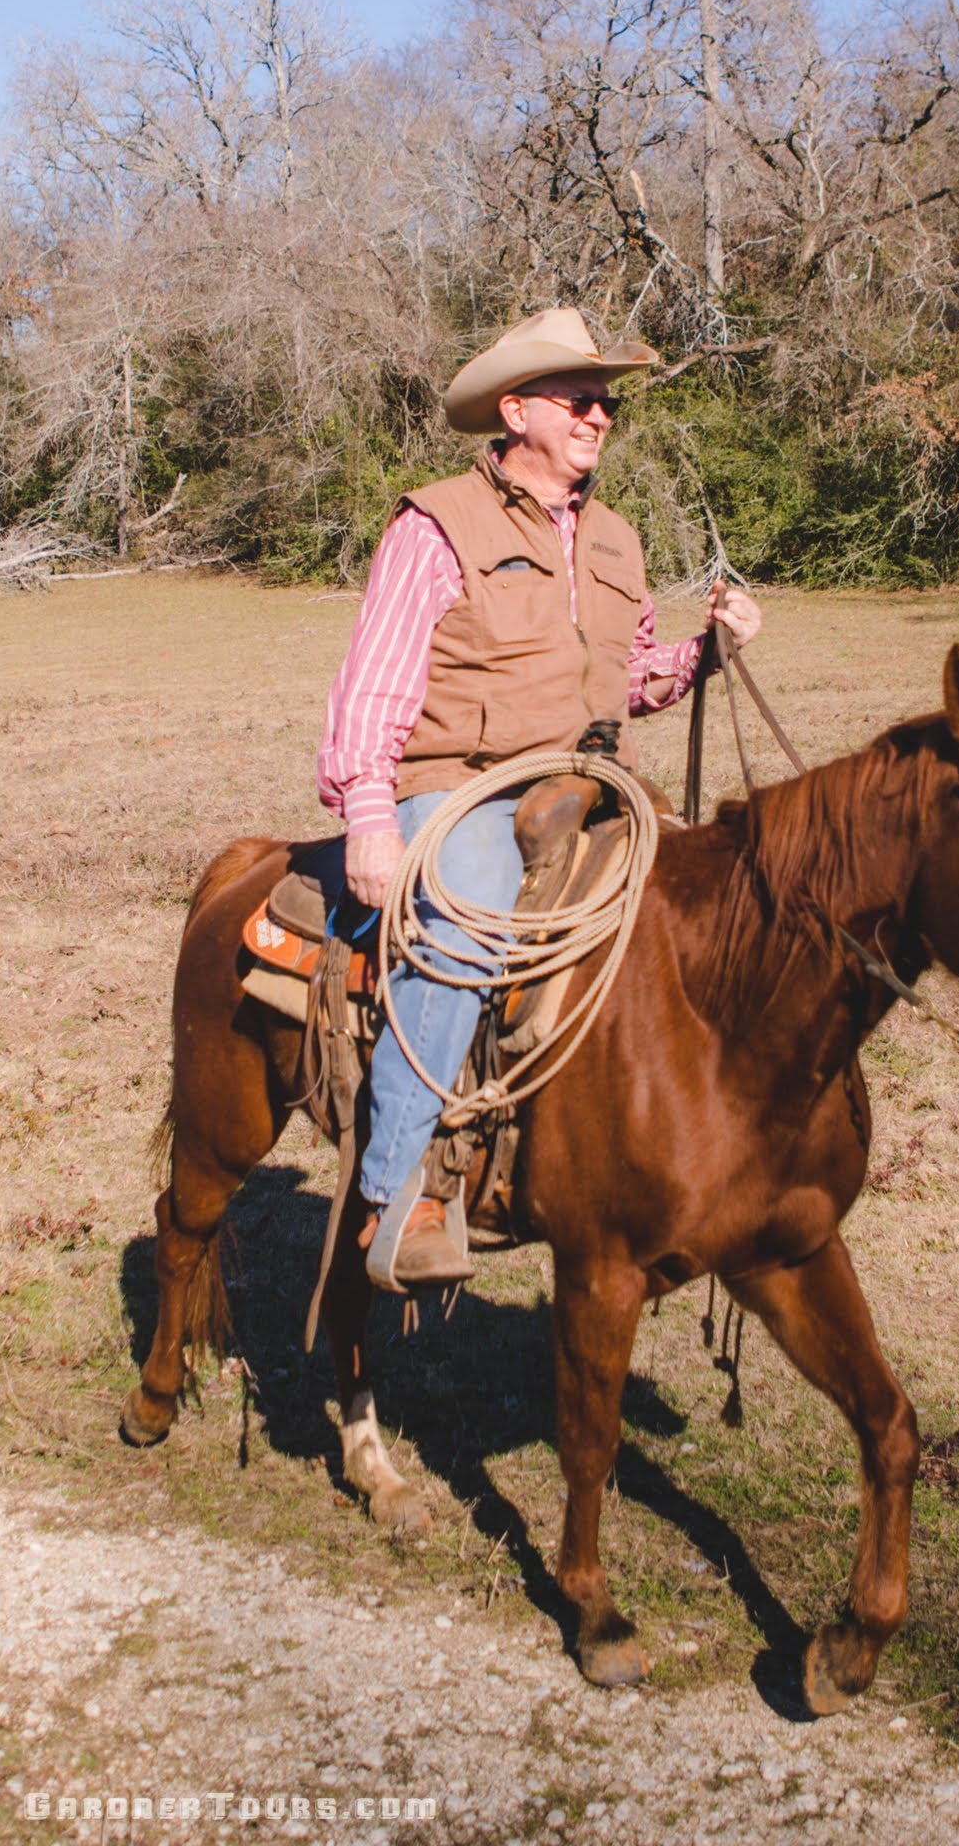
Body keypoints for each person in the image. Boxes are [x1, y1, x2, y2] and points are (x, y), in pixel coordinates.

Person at [316, 307, 761, 1290]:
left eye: (607, 402)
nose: (601, 416)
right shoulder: (436, 523)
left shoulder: (614, 539)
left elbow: (634, 673)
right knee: (464, 926)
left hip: (593, 785)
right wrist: (368, 817)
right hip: (467, 787)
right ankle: (398, 1197)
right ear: (516, 412)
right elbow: (377, 681)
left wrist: (706, 653)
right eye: (580, 399)